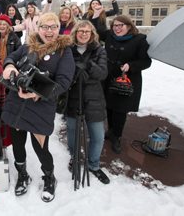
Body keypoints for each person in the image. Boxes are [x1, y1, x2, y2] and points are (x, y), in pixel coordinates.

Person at [1, 12, 75, 202]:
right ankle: (22, 175)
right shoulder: (28, 45)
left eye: (53, 27)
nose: (49, 31)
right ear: (38, 28)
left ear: (59, 28)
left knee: (40, 148)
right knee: (17, 145)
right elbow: (11, 58)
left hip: (40, 107)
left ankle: (49, 178)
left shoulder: (64, 50)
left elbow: (64, 82)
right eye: (45, 27)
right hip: (17, 103)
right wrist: (10, 67)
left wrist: (38, 93)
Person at [98, 15, 152, 154]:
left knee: (120, 110)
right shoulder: (110, 36)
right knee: (109, 107)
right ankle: (110, 131)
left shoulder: (139, 40)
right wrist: (97, 14)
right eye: (115, 25)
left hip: (126, 80)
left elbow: (146, 62)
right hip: (109, 77)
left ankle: (117, 136)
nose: (117, 28)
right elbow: (96, 29)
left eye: (120, 25)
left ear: (129, 26)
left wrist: (131, 65)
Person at [65, 20, 110, 184]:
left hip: (94, 98)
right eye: (80, 31)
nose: (84, 34)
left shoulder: (99, 50)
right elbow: (65, 72)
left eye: (87, 31)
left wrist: (87, 65)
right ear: (75, 33)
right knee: (72, 134)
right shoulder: (68, 50)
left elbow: (102, 73)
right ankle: (74, 158)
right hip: (73, 97)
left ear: (92, 34)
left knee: (97, 136)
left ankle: (94, 165)